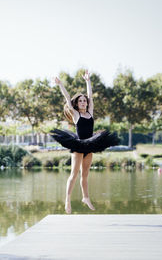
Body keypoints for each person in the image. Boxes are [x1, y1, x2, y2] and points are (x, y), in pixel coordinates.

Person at [51, 71, 119, 214]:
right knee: (74, 175)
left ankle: (86, 197)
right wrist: (60, 84)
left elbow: (91, 96)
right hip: (78, 146)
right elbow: (68, 99)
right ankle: (67, 199)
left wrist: (88, 81)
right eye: (80, 100)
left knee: (85, 175)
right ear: (77, 104)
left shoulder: (90, 112)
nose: (83, 102)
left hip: (90, 145)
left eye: (84, 100)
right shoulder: (77, 114)